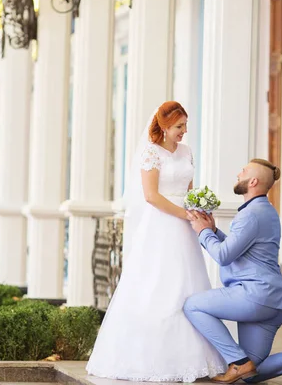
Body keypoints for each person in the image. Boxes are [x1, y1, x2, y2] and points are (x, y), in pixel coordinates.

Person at [86, 101, 226, 382]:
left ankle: (197, 357)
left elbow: (189, 190)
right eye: (178, 127)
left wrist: (198, 207)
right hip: (161, 225)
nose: (183, 131)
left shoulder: (186, 152)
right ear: (163, 126)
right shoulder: (151, 153)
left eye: (185, 125)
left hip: (185, 227)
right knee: (159, 285)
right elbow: (151, 196)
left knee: (189, 284)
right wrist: (184, 214)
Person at [184, 159, 282, 383]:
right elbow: (240, 248)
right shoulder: (264, 210)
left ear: (253, 181)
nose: (238, 173)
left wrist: (202, 232)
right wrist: (213, 231)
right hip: (273, 302)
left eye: (244, 171)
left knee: (192, 305)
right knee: (252, 373)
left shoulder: (251, 214)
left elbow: (223, 255)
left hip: (255, 296)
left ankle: (237, 362)